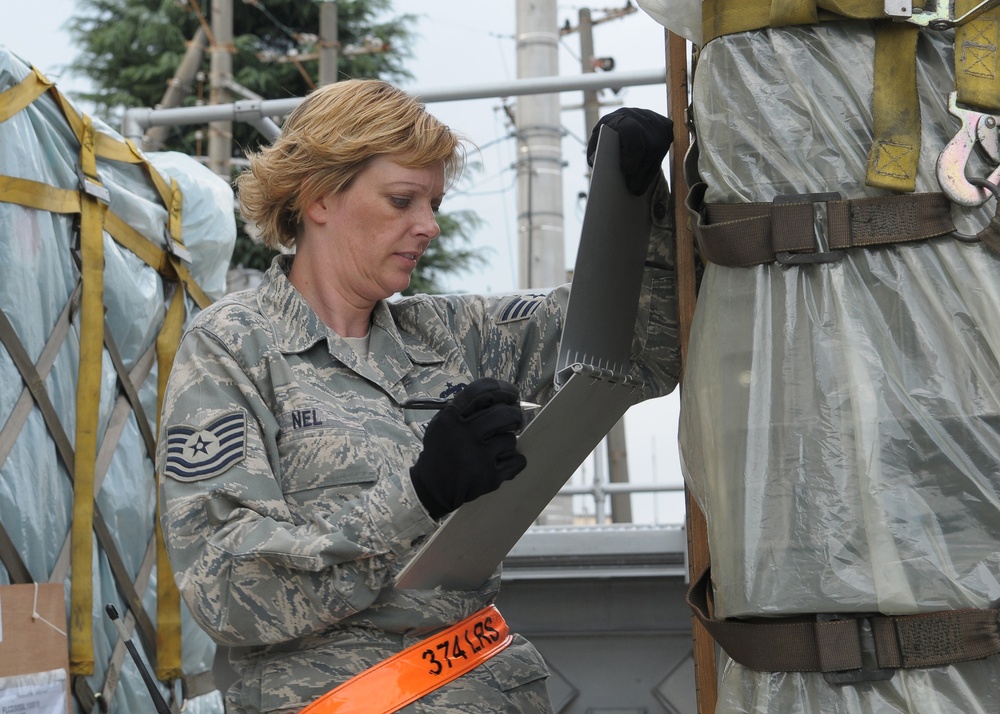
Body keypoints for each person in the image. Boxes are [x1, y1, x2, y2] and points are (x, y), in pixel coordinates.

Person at [156, 78, 679, 714]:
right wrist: (419, 496)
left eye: (432, 202)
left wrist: (633, 196)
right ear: (320, 197)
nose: (427, 226)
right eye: (403, 200)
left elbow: (643, 348)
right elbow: (229, 590)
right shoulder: (233, 348)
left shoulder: (452, 335)